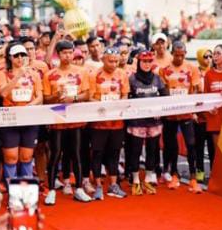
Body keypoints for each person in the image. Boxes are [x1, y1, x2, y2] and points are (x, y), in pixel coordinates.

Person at [43, 41, 90, 204]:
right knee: (55, 154)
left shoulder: (81, 72)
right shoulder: (50, 74)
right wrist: (56, 96)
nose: (68, 56)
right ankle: (51, 191)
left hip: (75, 117)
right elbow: (45, 98)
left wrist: (74, 98)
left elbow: (87, 94)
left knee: (76, 154)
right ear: (58, 54)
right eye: (64, 53)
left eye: (70, 53)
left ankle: (78, 188)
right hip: (57, 117)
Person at [159, 40, 203, 191]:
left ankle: (192, 177)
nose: (179, 58)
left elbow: (196, 89)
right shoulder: (164, 70)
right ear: (172, 54)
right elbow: (162, 90)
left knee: (191, 144)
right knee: (171, 146)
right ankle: (174, 174)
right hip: (170, 114)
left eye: (182, 55)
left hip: (186, 113)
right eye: (176, 55)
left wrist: (194, 108)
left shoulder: (192, 68)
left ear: (185, 54)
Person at [0, 43, 44, 179]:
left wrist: (29, 106)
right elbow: (3, 93)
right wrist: (18, 76)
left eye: (23, 55)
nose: (20, 58)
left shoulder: (34, 75)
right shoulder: (2, 74)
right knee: (11, 157)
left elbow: (39, 97)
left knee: (26, 156)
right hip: (10, 118)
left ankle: (26, 188)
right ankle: (12, 188)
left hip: (29, 118)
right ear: (10, 58)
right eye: (16, 55)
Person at [88, 47, 128, 200]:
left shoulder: (122, 74)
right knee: (97, 153)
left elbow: (125, 95)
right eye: (110, 61)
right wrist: (102, 105)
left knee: (114, 153)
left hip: (117, 122)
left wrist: (118, 104)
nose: (113, 64)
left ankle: (113, 184)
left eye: (116, 61)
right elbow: (89, 97)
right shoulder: (94, 74)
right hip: (99, 123)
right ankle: (98, 186)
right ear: (103, 59)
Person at [125, 50, 167, 195]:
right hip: (137, 122)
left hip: (154, 123)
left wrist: (159, 111)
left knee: (152, 150)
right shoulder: (132, 79)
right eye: (144, 61)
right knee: (135, 151)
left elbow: (165, 97)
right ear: (139, 63)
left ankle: (148, 179)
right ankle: (135, 180)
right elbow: (125, 99)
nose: (147, 64)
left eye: (150, 61)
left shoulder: (157, 79)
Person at [200, 44, 222, 181]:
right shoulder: (209, 74)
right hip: (215, 117)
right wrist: (209, 108)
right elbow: (206, 95)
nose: (214, 56)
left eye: (218, 53)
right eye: (214, 53)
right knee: (217, 149)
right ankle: (217, 177)